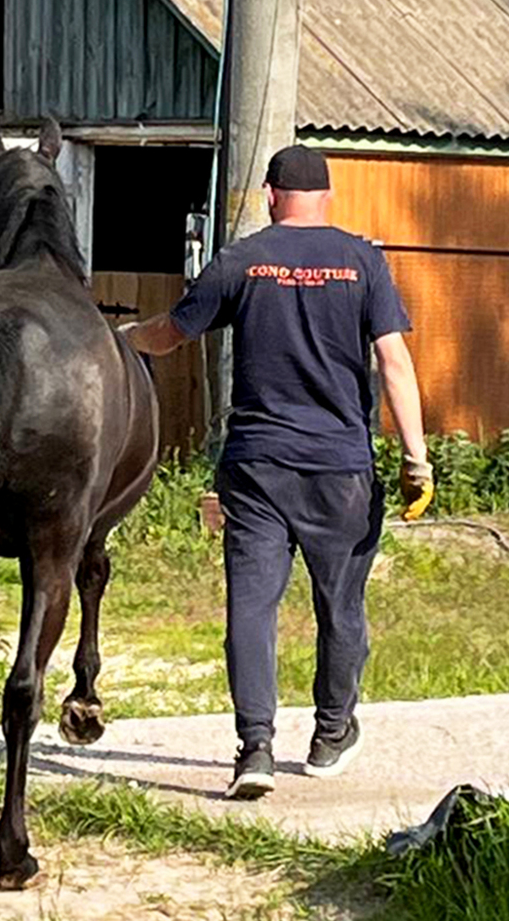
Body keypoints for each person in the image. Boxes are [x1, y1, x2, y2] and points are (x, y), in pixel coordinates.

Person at [121, 144, 433, 800]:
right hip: (340, 469)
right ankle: (329, 735)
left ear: (269, 194)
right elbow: (395, 364)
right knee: (340, 605)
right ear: (328, 195)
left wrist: (118, 339)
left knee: (252, 608)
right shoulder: (362, 261)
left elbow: (173, 333)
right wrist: (415, 458)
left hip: (256, 467)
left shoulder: (240, 261)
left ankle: (256, 747)